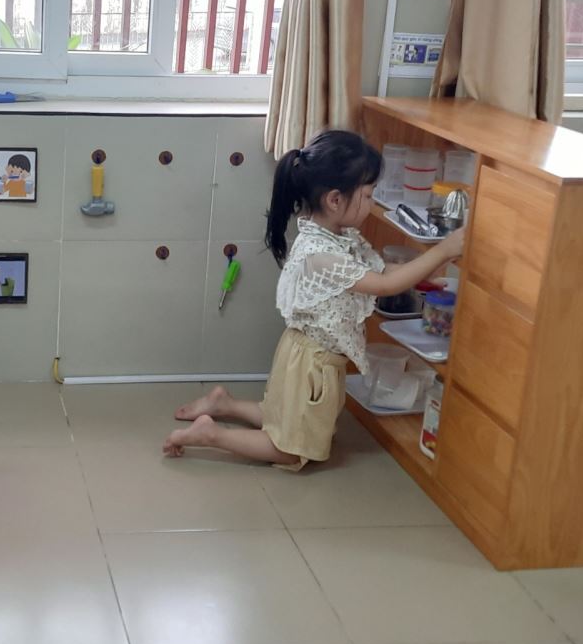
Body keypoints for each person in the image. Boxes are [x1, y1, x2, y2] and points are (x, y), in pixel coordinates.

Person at [166, 129, 463, 469]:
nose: (371, 204)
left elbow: (383, 269)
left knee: (284, 417)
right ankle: (211, 434)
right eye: (367, 196)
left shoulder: (337, 235)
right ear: (335, 200)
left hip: (308, 356)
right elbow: (382, 284)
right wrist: (443, 249)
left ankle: (224, 404)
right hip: (312, 364)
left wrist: (431, 273)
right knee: (290, 449)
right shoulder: (321, 254)